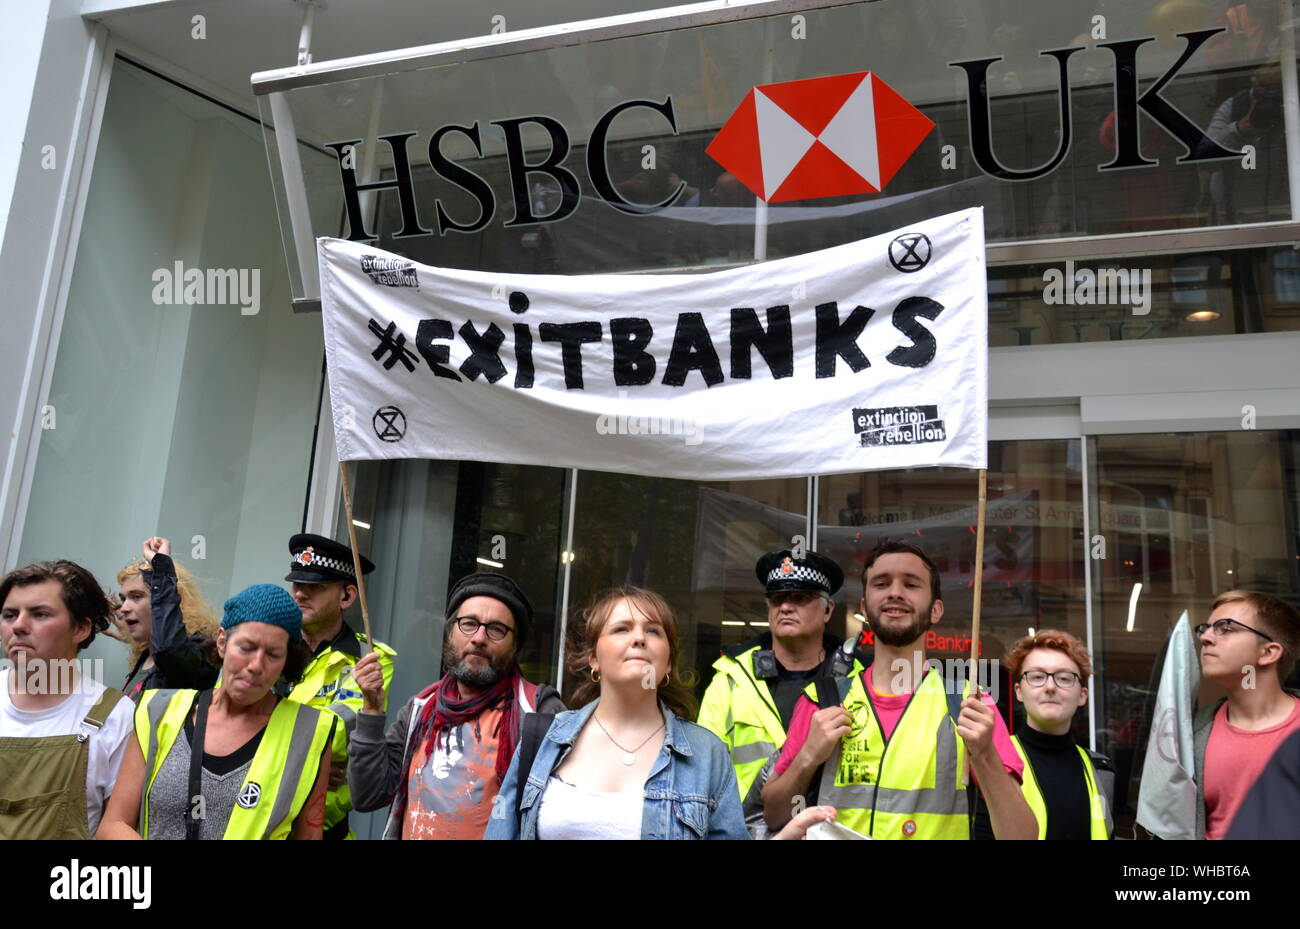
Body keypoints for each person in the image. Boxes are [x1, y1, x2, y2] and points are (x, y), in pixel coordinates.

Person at [486, 586, 835, 840]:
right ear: (594, 657)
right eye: (622, 629)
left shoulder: (706, 753)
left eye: (653, 631)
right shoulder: (544, 737)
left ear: (667, 661)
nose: (639, 639)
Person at [762, 539, 1037, 839]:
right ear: (865, 608)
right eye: (881, 583)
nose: (895, 592)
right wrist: (808, 757)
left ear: (935, 610)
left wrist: (985, 756)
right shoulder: (822, 700)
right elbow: (775, 815)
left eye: (911, 584)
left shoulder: (970, 703)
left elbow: (1022, 836)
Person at [98, 584, 336, 840]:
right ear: (222, 642)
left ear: (286, 661)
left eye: (273, 654)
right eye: (246, 648)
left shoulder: (309, 732)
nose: (256, 666)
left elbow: (310, 836)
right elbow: (113, 825)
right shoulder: (159, 711)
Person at [349, 572, 563, 839]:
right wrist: (371, 710)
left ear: (516, 645)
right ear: (450, 632)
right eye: (469, 623)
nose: (479, 637)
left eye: (496, 629)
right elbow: (368, 795)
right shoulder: (420, 710)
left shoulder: (538, 713)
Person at [697, 547, 851, 837]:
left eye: (801, 598)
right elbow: (702, 776)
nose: (786, 607)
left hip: (832, 831)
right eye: (777, 599)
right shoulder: (729, 680)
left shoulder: (855, 680)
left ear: (828, 609)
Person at [0, 560, 135, 839]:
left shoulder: (114, 714)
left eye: (40, 614)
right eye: (9, 615)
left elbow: (117, 827)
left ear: (81, 629)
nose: (19, 626)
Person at [283, 533, 397, 840]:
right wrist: (313, 766)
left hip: (325, 830)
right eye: (297, 585)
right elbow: (226, 715)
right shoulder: (268, 647)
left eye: (315, 587)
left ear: (346, 597)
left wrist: (261, 736)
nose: (300, 595)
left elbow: (333, 734)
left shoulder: (370, 659)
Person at [973, 630, 1113, 839]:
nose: (1050, 687)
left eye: (1064, 678)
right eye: (1037, 677)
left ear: (1082, 695)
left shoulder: (1101, 770)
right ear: (1019, 691)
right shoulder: (994, 761)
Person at [1192, 589, 1300, 839]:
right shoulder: (1194, 733)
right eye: (1206, 628)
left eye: (1225, 628)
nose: (1206, 638)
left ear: (1268, 653)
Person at [111, 537, 220, 700]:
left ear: (170, 598)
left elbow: (169, 649)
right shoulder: (146, 657)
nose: (124, 607)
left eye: (136, 596)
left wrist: (162, 567)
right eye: (123, 598)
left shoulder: (198, 653)